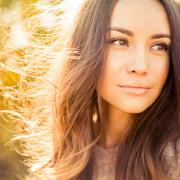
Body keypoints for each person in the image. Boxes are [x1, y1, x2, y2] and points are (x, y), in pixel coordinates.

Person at [49, 0, 180, 179]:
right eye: (120, 41)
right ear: (85, 48)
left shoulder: (174, 159)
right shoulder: (69, 150)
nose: (140, 66)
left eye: (159, 46)